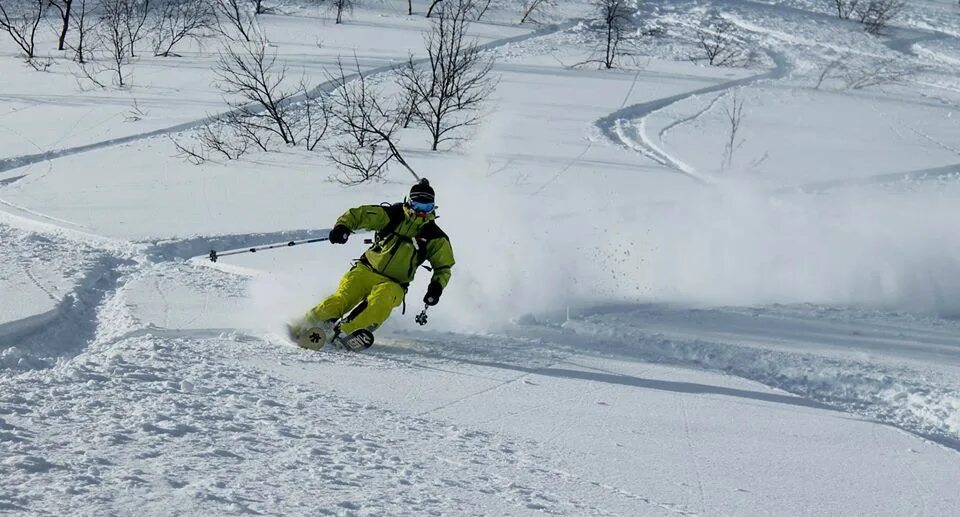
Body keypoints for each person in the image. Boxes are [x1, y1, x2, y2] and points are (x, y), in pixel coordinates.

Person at [290, 179, 454, 351]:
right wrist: (343, 227)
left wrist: (436, 286)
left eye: (426, 208)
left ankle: (346, 332)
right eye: (418, 206)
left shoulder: (435, 236)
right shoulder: (392, 215)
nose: (421, 212)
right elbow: (360, 214)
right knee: (340, 300)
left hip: (394, 284)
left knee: (380, 303)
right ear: (409, 202)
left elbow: (443, 266)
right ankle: (303, 326)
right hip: (365, 270)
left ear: (433, 208)